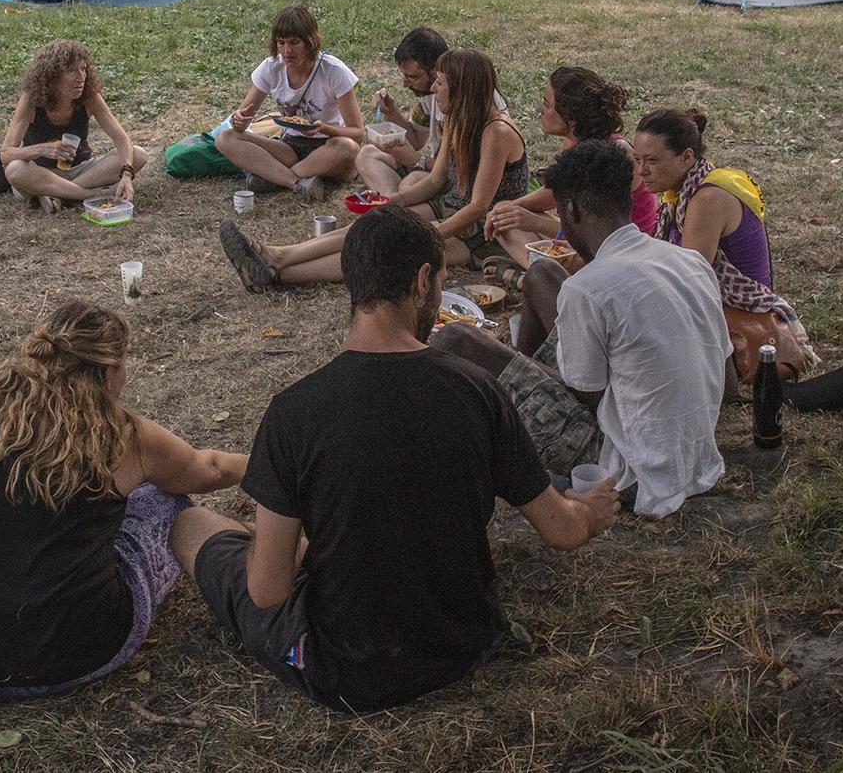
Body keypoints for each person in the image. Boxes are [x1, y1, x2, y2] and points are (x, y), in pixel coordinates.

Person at [170, 206, 619, 713]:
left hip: (348, 670)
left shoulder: (294, 412)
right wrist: (592, 510)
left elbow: (268, 591)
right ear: (424, 281)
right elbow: (563, 531)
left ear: (350, 282)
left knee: (188, 524)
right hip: (463, 644)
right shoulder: (478, 390)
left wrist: (272, 542)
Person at [0, 301, 247, 700]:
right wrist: (276, 460)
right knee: (165, 499)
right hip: (82, 655)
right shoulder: (126, 435)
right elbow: (208, 470)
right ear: (109, 371)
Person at [432, 141, 730, 517]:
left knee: (457, 340)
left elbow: (584, 396)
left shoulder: (588, 288)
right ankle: (512, 398)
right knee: (540, 273)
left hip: (632, 466)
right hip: (695, 456)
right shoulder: (687, 262)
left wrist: (506, 366)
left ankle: (477, 429)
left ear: (570, 211)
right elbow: (725, 370)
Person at [218, 49, 527, 290]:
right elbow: (435, 181)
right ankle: (275, 255)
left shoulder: (495, 132)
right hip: (449, 206)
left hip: (483, 233)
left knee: (386, 254)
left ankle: (277, 274)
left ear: (461, 89)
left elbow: (478, 207)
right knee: (376, 224)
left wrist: (430, 233)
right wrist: (395, 204)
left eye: (440, 82)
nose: (433, 88)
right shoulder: (458, 118)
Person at [630, 108, 813, 385]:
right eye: (637, 159)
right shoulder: (683, 190)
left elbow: (688, 281)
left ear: (687, 156)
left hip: (741, 314)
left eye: (652, 161)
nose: (642, 171)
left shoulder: (709, 197)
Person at [482, 66, 660, 278]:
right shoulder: (574, 143)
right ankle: (542, 273)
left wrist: (532, 221)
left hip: (619, 252)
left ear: (571, 117)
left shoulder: (612, 155)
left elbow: (596, 231)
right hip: (584, 235)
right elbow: (551, 194)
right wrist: (510, 209)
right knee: (504, 216)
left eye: (547, 105)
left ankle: (539, 279)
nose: (540, 109)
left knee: (514, 220)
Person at [215, 5, 362, 196]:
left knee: (348, 148)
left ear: (310, 42)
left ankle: (273, 177)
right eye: (281, 42)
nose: (287, 51)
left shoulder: (334, 71)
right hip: (290, 147)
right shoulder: (271, 68)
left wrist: (325, 128)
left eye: (294, 43)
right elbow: (241, 121)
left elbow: (357, 132)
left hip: (327, 146)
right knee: (225, 137)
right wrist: (238, 120)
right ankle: (295, 182)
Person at [0, 39, 148, 213]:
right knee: (15, 170)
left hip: (82, 171)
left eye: (83, 69)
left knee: (138, 154)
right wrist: (43, 149)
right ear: (52, 76)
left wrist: (126, 174)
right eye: (71, 71)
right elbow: (6, 154)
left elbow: (121, 138)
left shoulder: (89, 97)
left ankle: (59, 194)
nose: (81, 77)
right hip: (40, 174)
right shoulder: (31, 100)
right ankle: (93, 194)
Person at [353, 28, 506, 198]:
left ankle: (395, 207)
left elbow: (461, 171)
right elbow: (416, 140)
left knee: (411, 182)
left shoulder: (470, 99)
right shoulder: (428, 91)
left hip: (462, 181)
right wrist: (392, 113)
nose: (405, 84)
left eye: (412, 77)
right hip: (436, 170)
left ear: (434, 71)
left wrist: (416, 160)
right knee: (367, 154)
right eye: (404, 76)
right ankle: (392, 205)